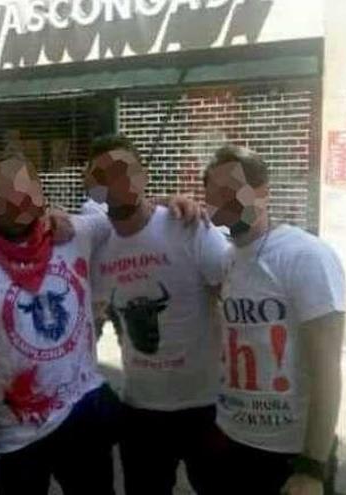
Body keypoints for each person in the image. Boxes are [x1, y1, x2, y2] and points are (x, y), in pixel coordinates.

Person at [0, 153, 122, 495]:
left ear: (41, 193)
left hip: (82, 411)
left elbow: (130, 213)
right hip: (16, 435)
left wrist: (173, 202)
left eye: (24, 192)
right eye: (4, 196)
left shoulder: (76, 234)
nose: (17, 203)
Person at [86, 135, 230, 495]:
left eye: (123, 171)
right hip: (141, 411)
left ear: (144, 176)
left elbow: (232, 293)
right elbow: (94, 315)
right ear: (92, 188)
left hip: (208, 406)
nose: (113, 182)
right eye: (101, 175)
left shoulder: (188, 226)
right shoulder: (95, 246)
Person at [202, 144, 346, 495]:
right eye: (213, 195)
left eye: (232, 190)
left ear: (262, 192)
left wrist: (312, 467)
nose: (223, 201)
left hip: (288, 454)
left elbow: (327, 369)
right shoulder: (228, 258)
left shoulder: (306, 255)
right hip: (232, 441)